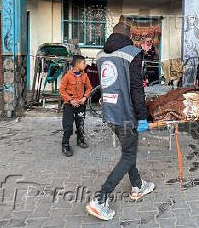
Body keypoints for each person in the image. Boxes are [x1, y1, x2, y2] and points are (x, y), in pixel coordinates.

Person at [87, 24, 154, 221]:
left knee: (128, 151)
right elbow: (136, 89)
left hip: (109, 112)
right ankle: (101, 199)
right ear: (129, 36)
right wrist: (142, 117)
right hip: (126, 114)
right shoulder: (132, 53)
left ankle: (138, 186)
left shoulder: (100, 55)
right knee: (128, 156)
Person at [59, 55, 92, 157]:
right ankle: (65, 145)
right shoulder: (68, 76)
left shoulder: (85, 76)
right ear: (77, 64)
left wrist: (85, 97)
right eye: (84, 63)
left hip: (81, 105)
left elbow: (89, 88)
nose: (85, 65)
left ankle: (80, 140)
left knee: (80, 124)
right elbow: (62, 90)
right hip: (69, 105)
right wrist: (70, 100)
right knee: (68, 126)